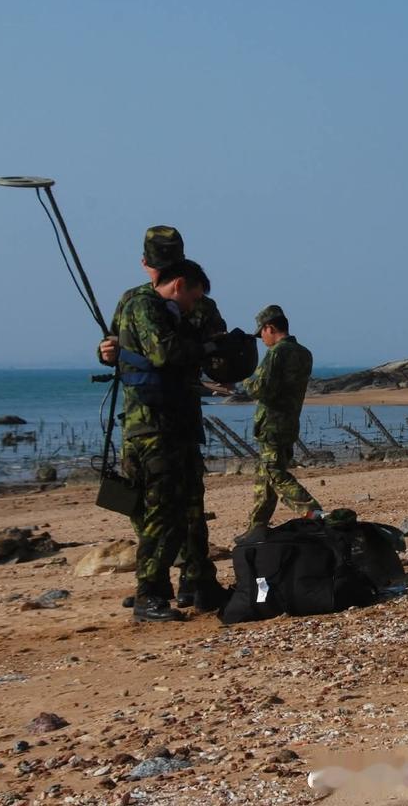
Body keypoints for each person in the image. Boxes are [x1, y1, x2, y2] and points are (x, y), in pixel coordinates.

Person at [99, 226, 227, 610]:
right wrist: (105, 352)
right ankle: (151, 590)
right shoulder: (134, 302)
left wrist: (215, 355)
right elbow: (127, 348)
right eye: (157, 263)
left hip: (182, 417)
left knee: (190, 506)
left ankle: (197, 582)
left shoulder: (200, 302)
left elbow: (218, 353)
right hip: (148, 422)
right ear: (145, 264)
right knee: (158, 509)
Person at [236, 304, 321, 536]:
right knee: (265, 479)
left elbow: (262, 389)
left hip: (272, 424)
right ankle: (256, 529)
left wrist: (241, 380)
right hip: (289, 422)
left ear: (269, 328)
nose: (261, 339)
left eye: (261, 333)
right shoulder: (304, 353)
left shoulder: (277, 353)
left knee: (275, 474)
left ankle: (314, 513)